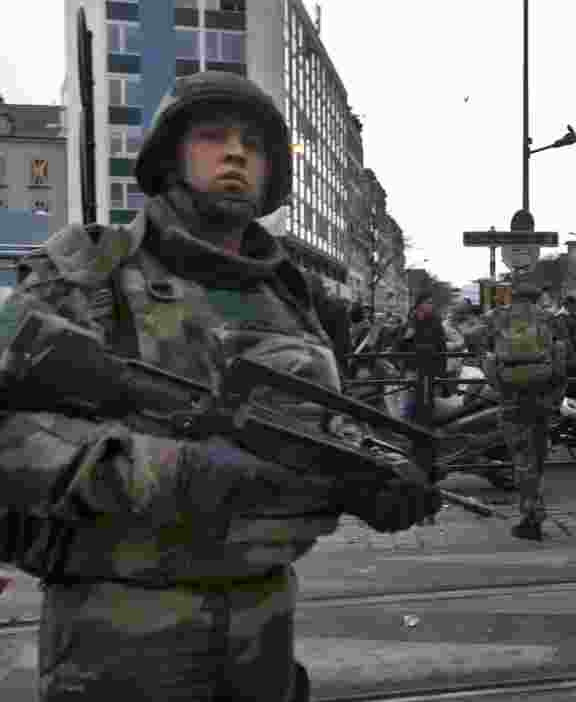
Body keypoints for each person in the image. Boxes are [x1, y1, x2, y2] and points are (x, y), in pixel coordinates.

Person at [0, 72, 440, 701]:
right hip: (119, 632)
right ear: (169, 156)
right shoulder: (87, 273)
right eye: (212, 137)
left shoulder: (292, 297)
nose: (235, 153)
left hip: (262, 627)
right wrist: (176, 471)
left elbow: (325, 421)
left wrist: (376, 475)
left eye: (253, 146)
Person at [484, 280, 570, 540]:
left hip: (511, 399)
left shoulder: (497, 318)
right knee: (539, 456)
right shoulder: (552, 319)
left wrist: (498, 383)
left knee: (522, 459)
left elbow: (482, 352)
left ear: (513, 296)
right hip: (543, 398)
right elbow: (567, 360)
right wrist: (556, 397)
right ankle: (537, 511)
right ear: (538, 295)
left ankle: (530, 515)